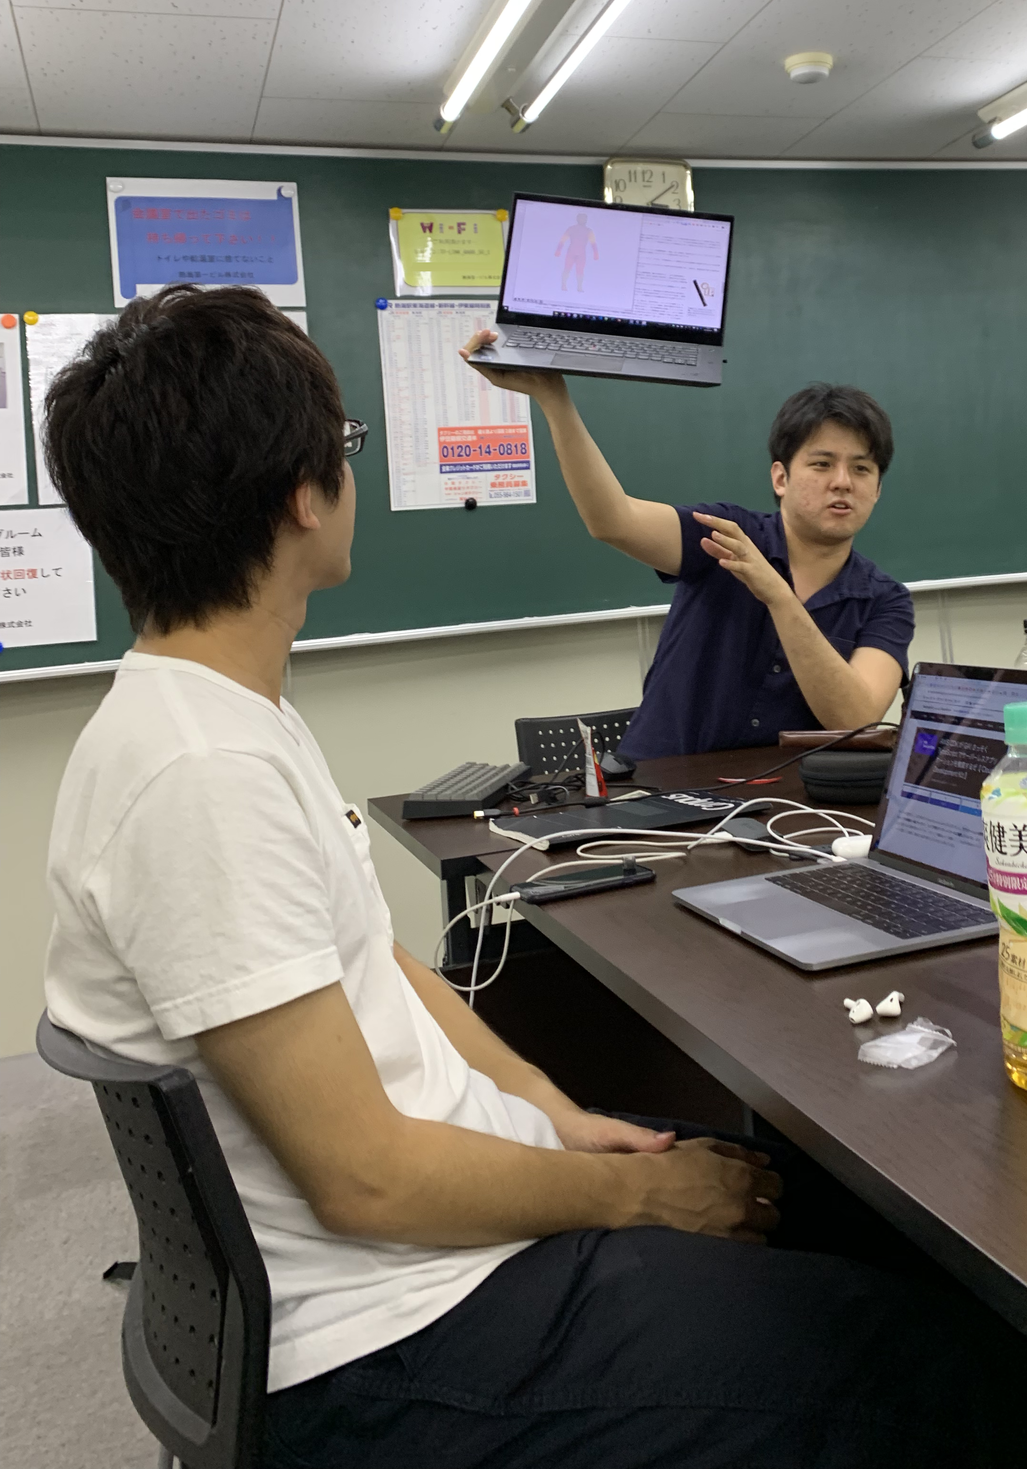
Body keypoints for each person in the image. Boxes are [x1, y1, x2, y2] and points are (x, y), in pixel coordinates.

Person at [42, 285, 966, 1468]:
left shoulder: (231, 719)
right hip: (396, 1335)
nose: (841, 483)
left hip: (437, 1239)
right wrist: (637, 1197)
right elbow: (367, 1181)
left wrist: (555, 1115)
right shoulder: (199, 774)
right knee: (934, 1363)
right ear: (301, 496)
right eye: (344, 445)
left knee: (834, 1203)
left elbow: (378, 965)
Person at [463, 336, 913, 759]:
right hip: (661, 787)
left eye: (861, 469)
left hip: (788, 801)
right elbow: (612, 520)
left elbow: (854, 720)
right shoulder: (728, 536)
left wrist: (779, 596)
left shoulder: (885, 601)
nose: (842, 482)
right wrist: (553, 399)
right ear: (781, 478)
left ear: (877, 489)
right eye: (822, 464)